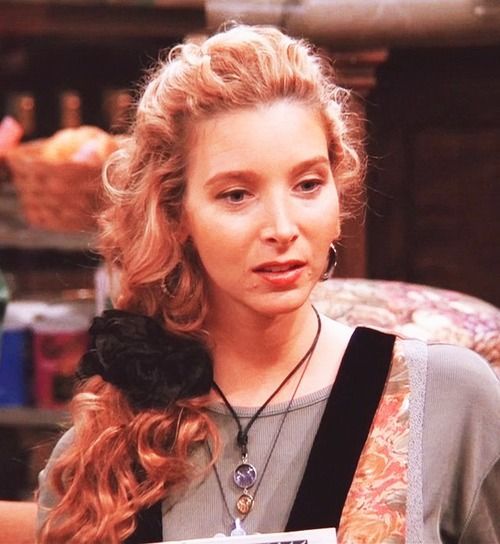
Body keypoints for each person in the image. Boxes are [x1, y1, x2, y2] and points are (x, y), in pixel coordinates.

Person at [37, 24, 500, 544]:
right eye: (237, 195)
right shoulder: (104, 450)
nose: (282, 227)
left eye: (308, 184)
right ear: (176, 213)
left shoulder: (448, 399)